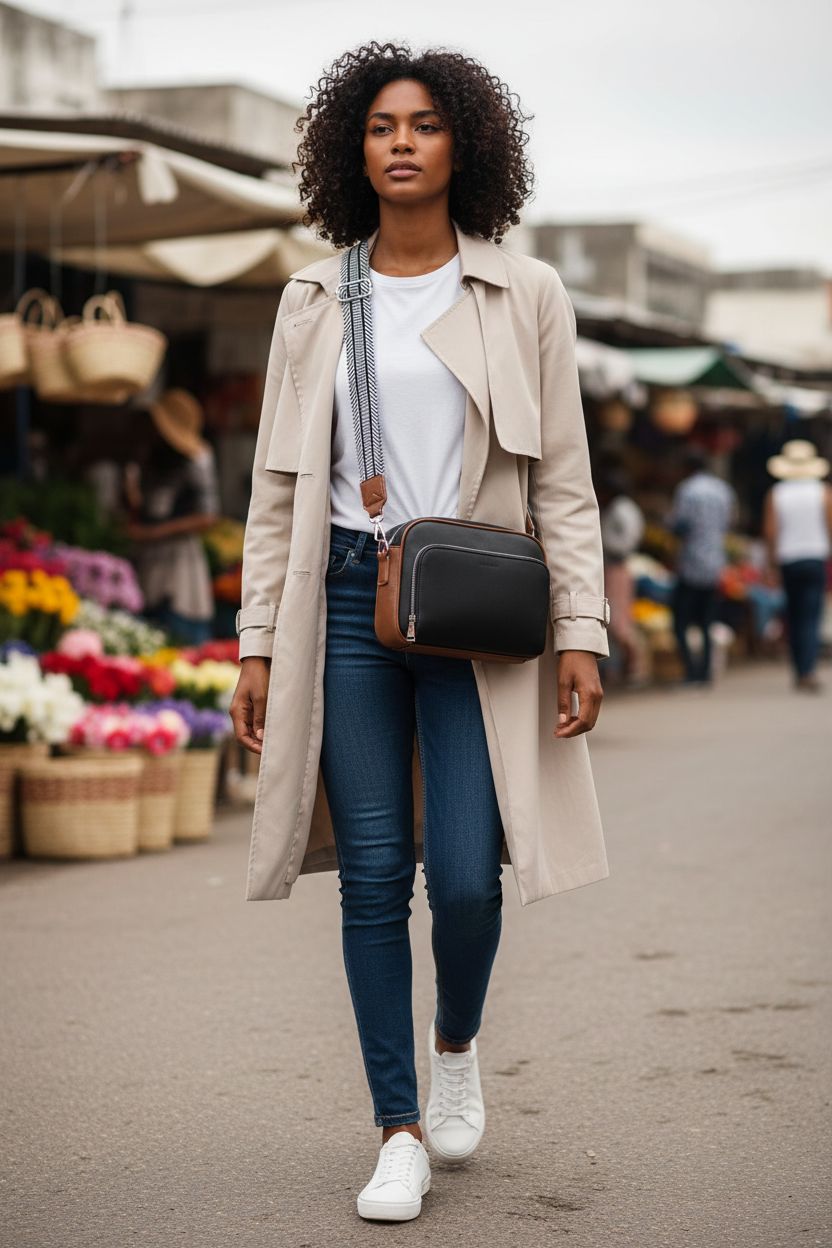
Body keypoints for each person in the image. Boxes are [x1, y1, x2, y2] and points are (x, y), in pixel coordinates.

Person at [230, 43, 611, 1223]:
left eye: (426, 124)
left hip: (473, 607)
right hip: (342, 600)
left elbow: (564, 483)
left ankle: (455, 1044)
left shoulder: (524, 291)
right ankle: (394, 1126)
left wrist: (582, 628)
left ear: (465, 147)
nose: (401, 141)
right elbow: (278, 489)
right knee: (373, 877)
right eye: (382, 124)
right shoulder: (309, 298)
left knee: (465, 878)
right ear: (353, 147)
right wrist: (254, 639)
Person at [125, 389, 220, 646]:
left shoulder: (197, 459)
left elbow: (208, 517)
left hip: (179, 560)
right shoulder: (150, 456)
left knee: (180, 631)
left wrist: (153, 533)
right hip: (148, 559)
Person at [762, 439, 831, 692]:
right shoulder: (823, 492)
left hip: (788, 559)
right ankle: (808, 669)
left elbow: (770, 532)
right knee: (810, 616)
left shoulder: (777, 493)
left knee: (793, 615)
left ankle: (799, 668)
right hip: (815, 558)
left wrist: (770, 563)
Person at [667, 447, 737, 685]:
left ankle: (691, 670)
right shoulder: (722, 490)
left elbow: (679, 524)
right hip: (715, 562)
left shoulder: (687, 490)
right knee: (707, 621)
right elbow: (730, 522)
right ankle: (705, 672)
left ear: (687, 468)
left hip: (692, 562)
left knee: (680, 621)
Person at [598, 466, 649, 685]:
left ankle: (638, 666)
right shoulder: (617, 508)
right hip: (609, 567)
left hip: (617, 567)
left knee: (619, 622)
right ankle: (617, 669)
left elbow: (627, 542)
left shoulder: (622, 509)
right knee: (611, 622)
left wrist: (602, 541)